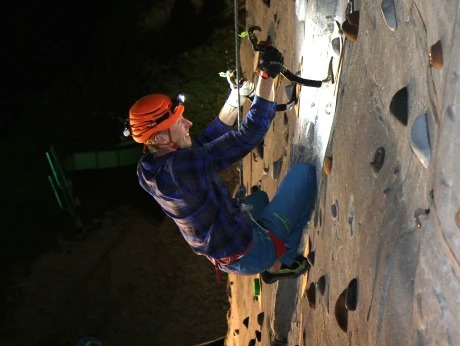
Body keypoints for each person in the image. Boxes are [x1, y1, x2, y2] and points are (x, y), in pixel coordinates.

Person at [125, 45, 317, 283]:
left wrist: (234, 99)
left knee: (259, 200)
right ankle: (279, 261)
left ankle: (271, 253)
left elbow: (206, 140)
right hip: (249, 253)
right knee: (304, 174)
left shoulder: (149, 168)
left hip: (224, 253)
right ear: (162, 139)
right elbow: (249, 135)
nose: (188, 123)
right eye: (179, 122)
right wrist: (266, 77)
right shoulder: (182, 169)